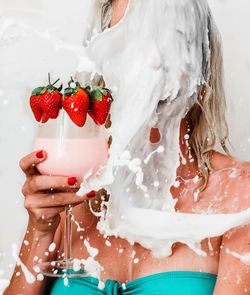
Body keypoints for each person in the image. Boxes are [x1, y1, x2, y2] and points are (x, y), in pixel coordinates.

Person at [4, 0, 250, 294]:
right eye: (125, 40)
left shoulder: (238, 194)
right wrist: (40, 230)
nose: (149, 63)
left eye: (161, 37)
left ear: (198, 59)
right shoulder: (77, 186)